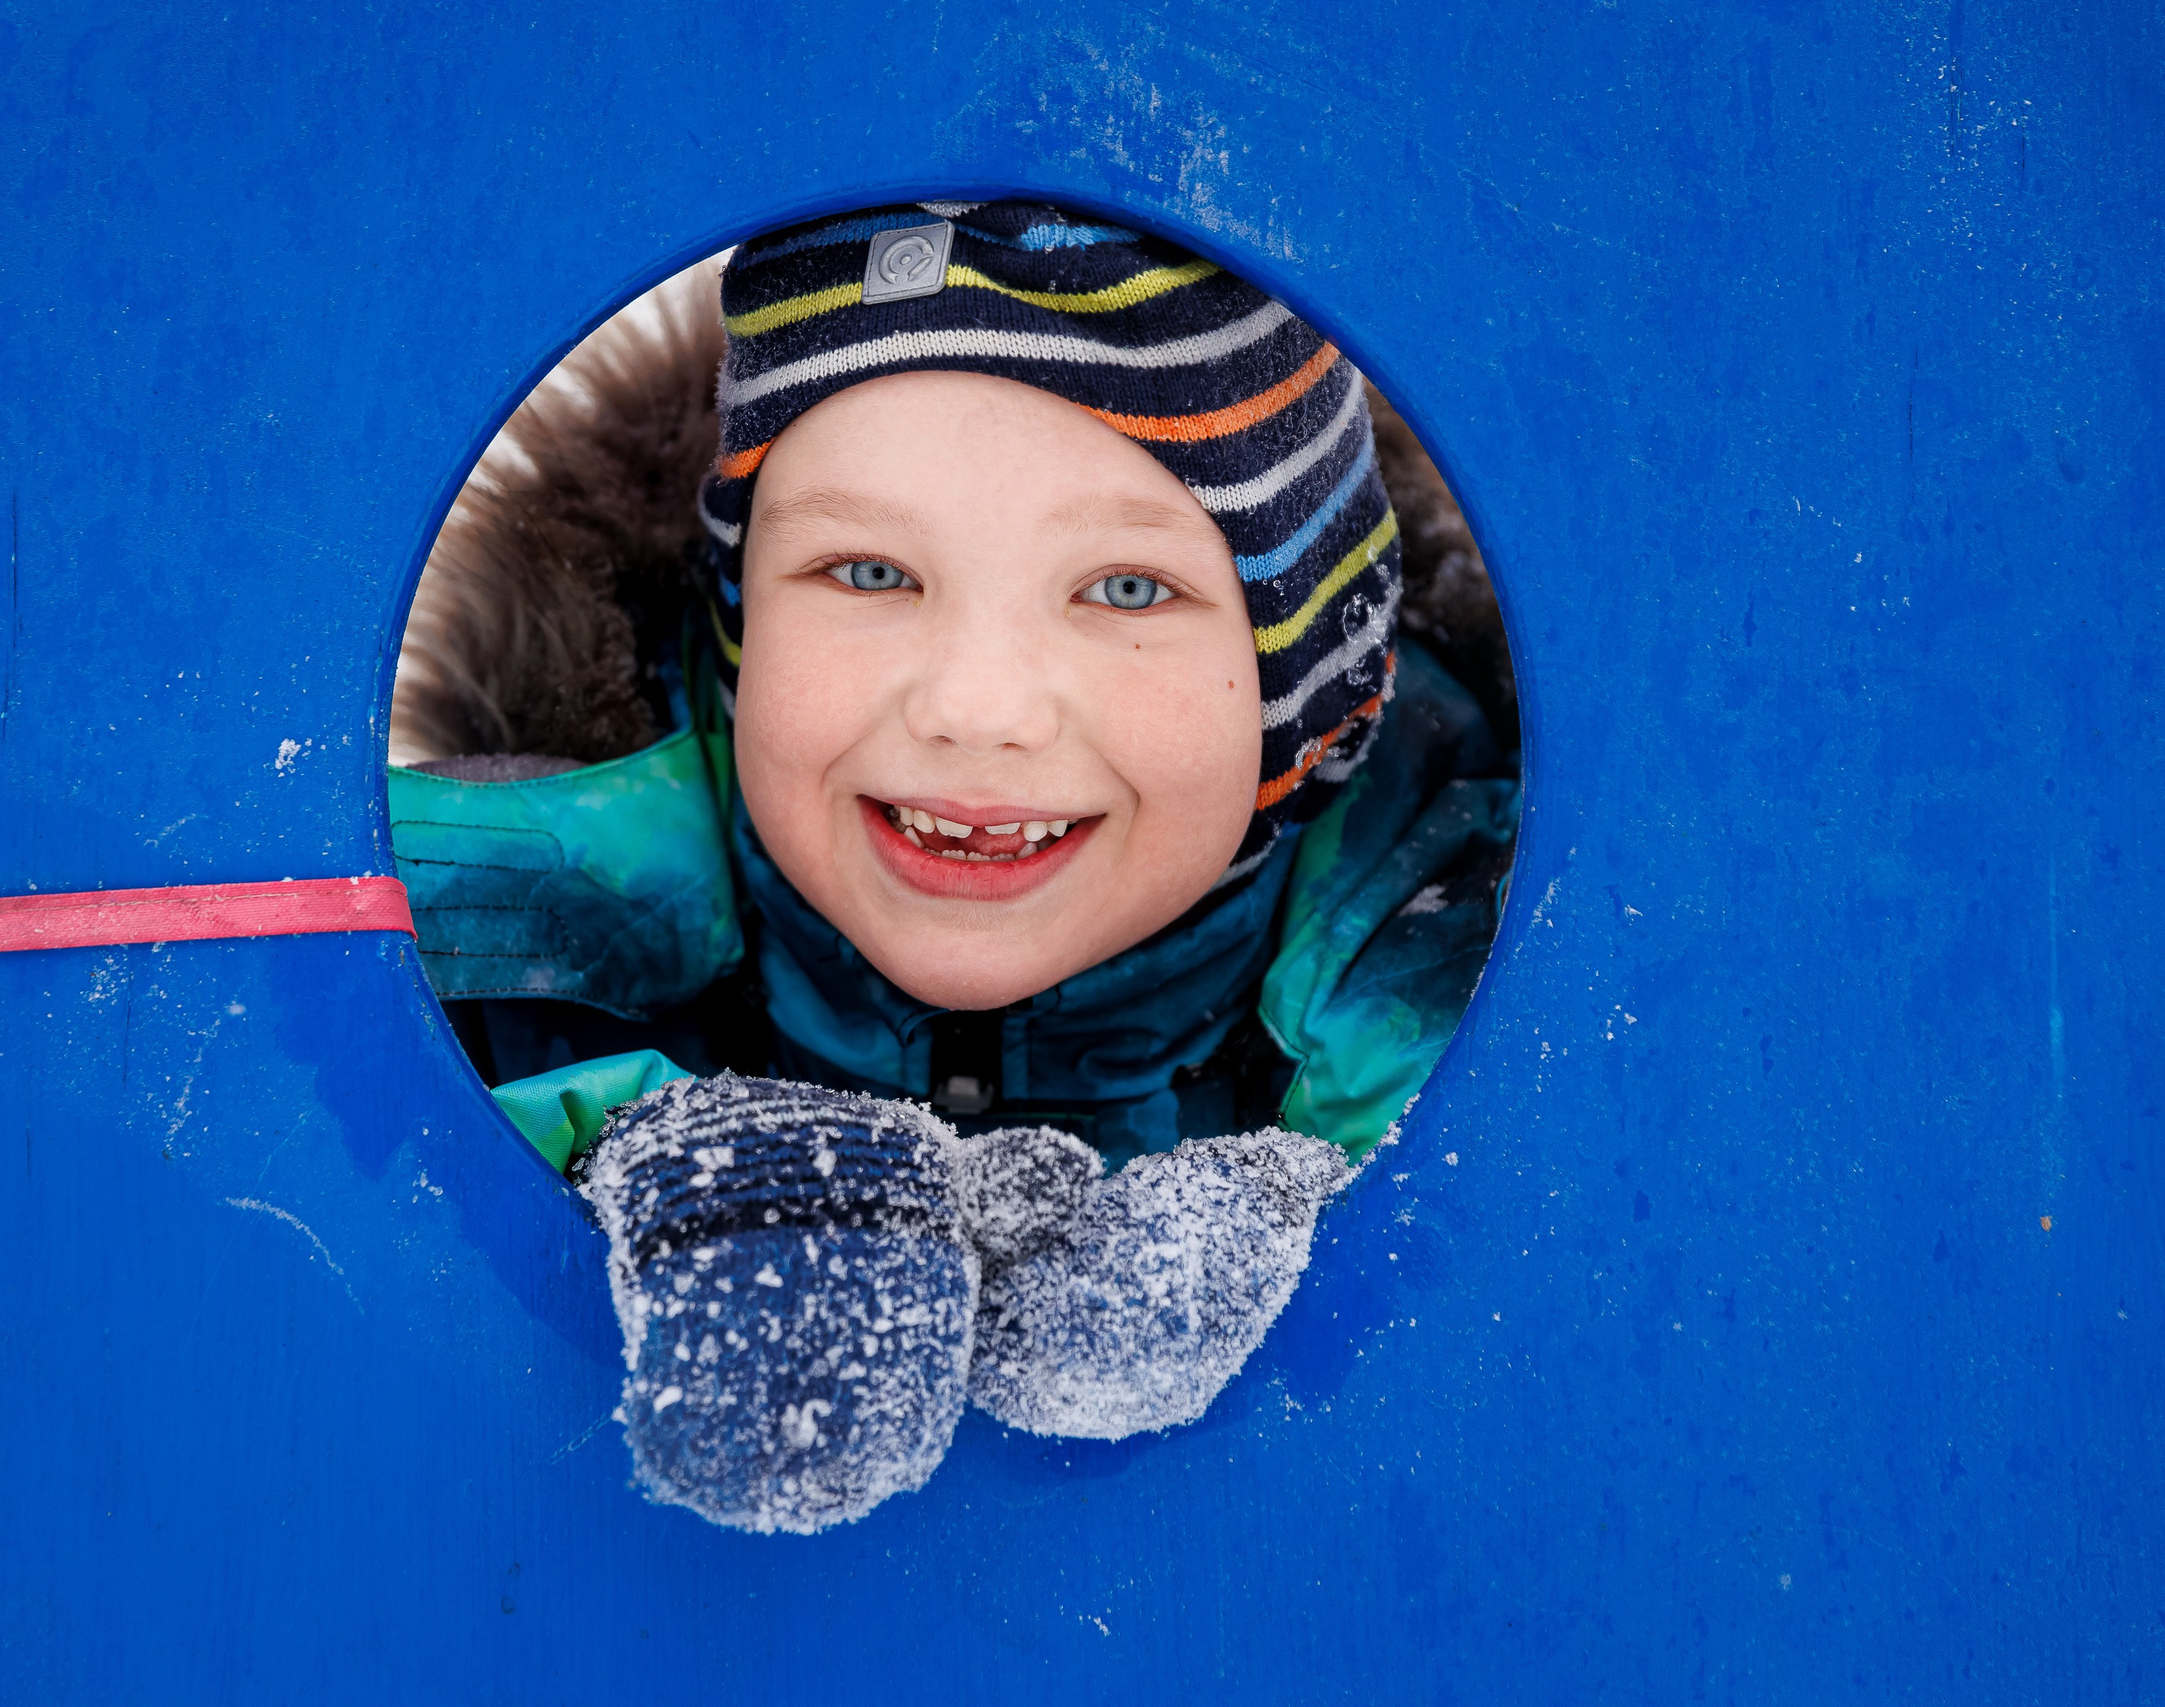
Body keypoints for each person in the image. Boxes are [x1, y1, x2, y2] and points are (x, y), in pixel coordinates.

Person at [389, 203, 1518, 1532]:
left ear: (1307, 703)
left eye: (1126, 591)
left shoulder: (1483, 970)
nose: (976, 706)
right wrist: (638, 1142)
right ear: (740, 629)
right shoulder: (510, 916)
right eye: (869, 571)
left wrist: (1343, 1210)